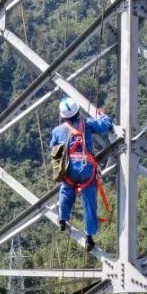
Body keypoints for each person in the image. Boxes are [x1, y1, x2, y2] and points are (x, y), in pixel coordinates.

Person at [49, 97, 113, 252]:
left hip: (69, 168)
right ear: (77, 111)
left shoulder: (57, 131)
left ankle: (62, 219)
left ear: (63, 116)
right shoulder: (87, 124)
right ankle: (89, 237)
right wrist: (103, 115)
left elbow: (53, 148)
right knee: (89, 203)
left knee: (66, 190)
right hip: (86, 168)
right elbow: (105, 125)